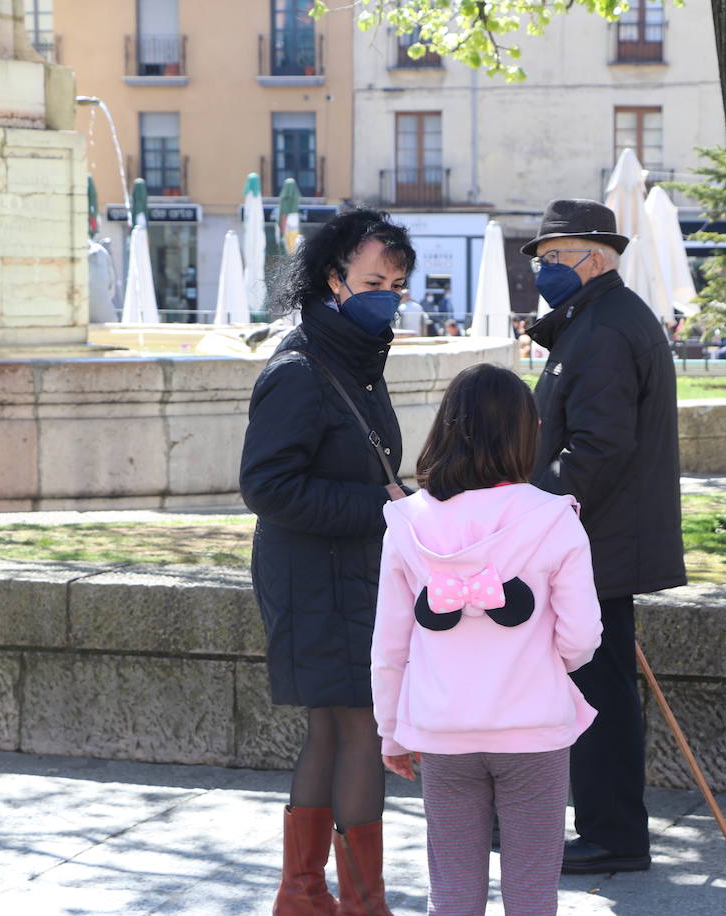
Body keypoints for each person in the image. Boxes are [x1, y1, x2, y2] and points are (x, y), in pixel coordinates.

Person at [371, 363, 603, 916]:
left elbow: (389, 645)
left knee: (450, 891)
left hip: (444, 729)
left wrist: (391, 731)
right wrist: (552, 658)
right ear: (527, 432)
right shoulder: (553, 517)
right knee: (531, 893)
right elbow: (581, 637)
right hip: (533, 727)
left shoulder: (406, 522)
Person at [240, 208, 415, 916]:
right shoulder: (300, 369)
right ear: (333, 278)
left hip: (345, 571)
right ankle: (353, 901)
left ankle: (307, 894)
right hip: (313, 575)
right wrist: (381, 507)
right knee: (356, 728)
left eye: (398, 284)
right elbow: (266, 485)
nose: (389, 295)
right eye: (375, 280)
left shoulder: (352, 360)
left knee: (338, 728)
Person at [522, 199, 687, 874]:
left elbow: (598, 447)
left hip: (598, 545)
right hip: (595, 541)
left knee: (600, 696)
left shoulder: (607, 329)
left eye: (551, 257)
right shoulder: (597, 322)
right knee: (594, 688)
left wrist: (532, 512)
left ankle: (613, 834)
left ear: (592, 257)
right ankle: (598, 826)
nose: (542, 269)